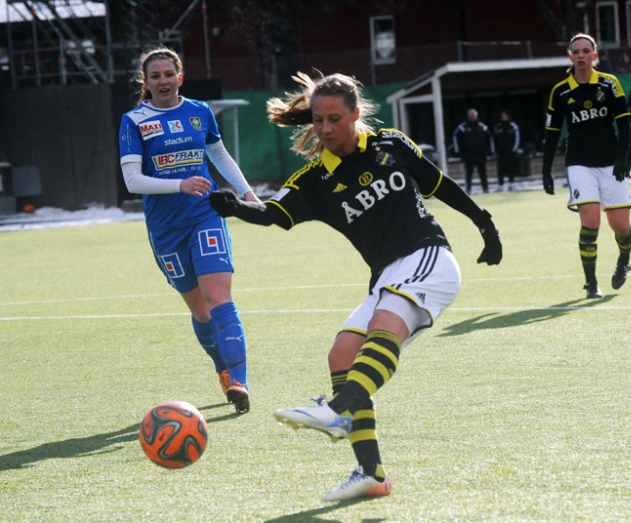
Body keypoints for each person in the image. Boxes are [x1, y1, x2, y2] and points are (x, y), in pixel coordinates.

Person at [209, 72, 502, 501]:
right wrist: (235, 208)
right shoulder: (313, 180)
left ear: (356, 114)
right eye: (317, 120)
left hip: (429, 259)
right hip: (388, 276)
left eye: (333, 119)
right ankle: (372, 473)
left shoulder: (391, 144)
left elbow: (440, 185)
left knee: (384, 326)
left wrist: (485, 223)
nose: (324, 129)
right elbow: (273, 213)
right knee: (342, 354)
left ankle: (335, 411)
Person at [118, 47, 257, 413]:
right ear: (145, 83)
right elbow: (132, 181)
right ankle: (222, 368)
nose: (162, 81)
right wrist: (178, 184)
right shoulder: (134, 121)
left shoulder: (199, 111)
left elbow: (219, 155)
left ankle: (241, 381)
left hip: (204, 214)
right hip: (165, 228)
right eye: (155, 76)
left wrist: (245, 191)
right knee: (201, 312)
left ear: (180, 76)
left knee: (218, 297)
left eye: (168, 74)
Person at [542, 33, 631, 299]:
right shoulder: (560, 91)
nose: (581, 56)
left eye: (586, 51)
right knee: (591, 221)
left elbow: (625, 123)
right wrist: (546, 170)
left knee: (621, 227)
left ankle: (622, 261)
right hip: (579, 164)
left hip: (610, 164)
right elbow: (552, 133)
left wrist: (621, 158)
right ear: (570, 57)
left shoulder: (609, 84)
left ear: (595, 55)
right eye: (576, 52)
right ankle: (592, 283)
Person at [452, 108, 494, 194]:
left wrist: (489, 153)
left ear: (477, 116)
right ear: (468, 116)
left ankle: (485, 189)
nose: (472, 117)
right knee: (468, 174)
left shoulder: (482, 127)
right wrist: (459, 153)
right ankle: (468, 189)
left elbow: (489, 140)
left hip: (481, 155)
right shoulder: (462, 127)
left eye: (474, 115)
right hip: (468, 156)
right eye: (470, 115)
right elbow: (456, 138)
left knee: (483, 173)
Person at [493, 109, 522, 191]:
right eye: (502, 116)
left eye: (505, 116)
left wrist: (514, 149)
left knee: (510, 168)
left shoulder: (513, 126)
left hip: (510, 152)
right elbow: (494, 139)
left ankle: (511, 184)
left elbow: (517, 138)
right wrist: (495, 150)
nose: (503, 117)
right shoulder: (498, 127)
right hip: (500, 152)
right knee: (500, 169)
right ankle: (500, 185)